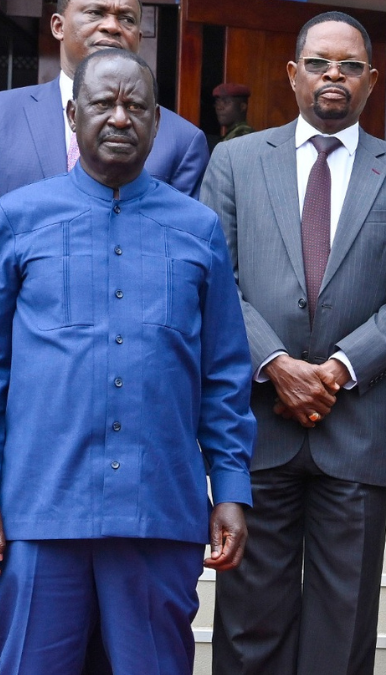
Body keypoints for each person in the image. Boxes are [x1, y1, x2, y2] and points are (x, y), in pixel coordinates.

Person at [0, 47, 254, 673]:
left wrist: (230, 488)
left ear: (157, 119)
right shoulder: (19, 219)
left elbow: (223, 374)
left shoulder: (196, 230)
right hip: (42, 507)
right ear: (72, 112)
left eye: (136, 105)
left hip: (158, 510)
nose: (120, 117)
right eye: (103, 103)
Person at [200, 12, 386, 674]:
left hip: (355, 429)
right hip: (258, 428)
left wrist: (334, 369)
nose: (334, 76)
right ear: (293, 73)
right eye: (320, 63)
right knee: (250, 627)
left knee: (343, 631)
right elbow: (218, 282)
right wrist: (276, 365)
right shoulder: (236, 161)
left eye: (351, 66)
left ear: (371, 80)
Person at [0, 0, 209, 198]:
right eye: (95, 13)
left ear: (138, 38)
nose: (112, 26)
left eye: (127, 19)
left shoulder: (182, 141)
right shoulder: (4, 113)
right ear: (58, 26)